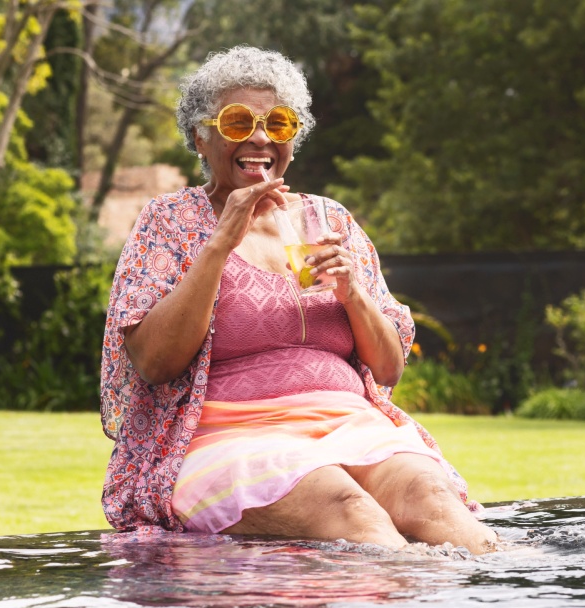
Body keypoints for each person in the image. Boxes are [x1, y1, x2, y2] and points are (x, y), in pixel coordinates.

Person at [100, 46, 498, 554]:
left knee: (434, 502)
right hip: (230, 433)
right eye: (238, 122)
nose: (261, 138)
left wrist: (352, 293)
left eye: (279, 124)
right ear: (201, 137)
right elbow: (154, 362)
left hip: (351, 424)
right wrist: (219, 242)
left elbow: (390, 368)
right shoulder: (171, 221)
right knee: (353, 516)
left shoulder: (329, 219)